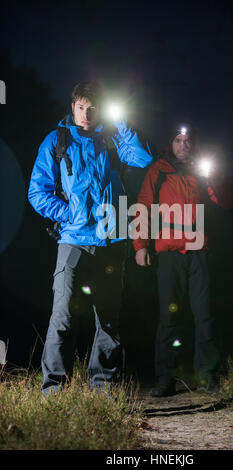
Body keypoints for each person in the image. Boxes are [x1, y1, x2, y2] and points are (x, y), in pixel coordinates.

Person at [28, 81, 153, 396]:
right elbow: (37, 192)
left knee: (108, 320)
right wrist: (69, 214)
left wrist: (122, 122)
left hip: (111, 240)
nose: (86, 113)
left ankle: (102, 390)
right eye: (81, 106)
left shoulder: (111, 140)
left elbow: (143, 159)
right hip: (73, 240)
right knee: (63, 315)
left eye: (93, 107)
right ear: (73, 106)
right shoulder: (56, 141)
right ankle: (53, 390)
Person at [133, 123, 233, 397]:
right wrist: (140, 246)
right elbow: (142, 206)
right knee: (169, 317)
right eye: (178, 140)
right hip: (168, 254)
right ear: (171, 143)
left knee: (204, 315)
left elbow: (226, 201)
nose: (183, 145)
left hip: (199, 252)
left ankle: (207, 377)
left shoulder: (201, 172)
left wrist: (213, 175)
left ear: (193, 144)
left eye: (188, 141)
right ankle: (165, 380)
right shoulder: (158, 170)